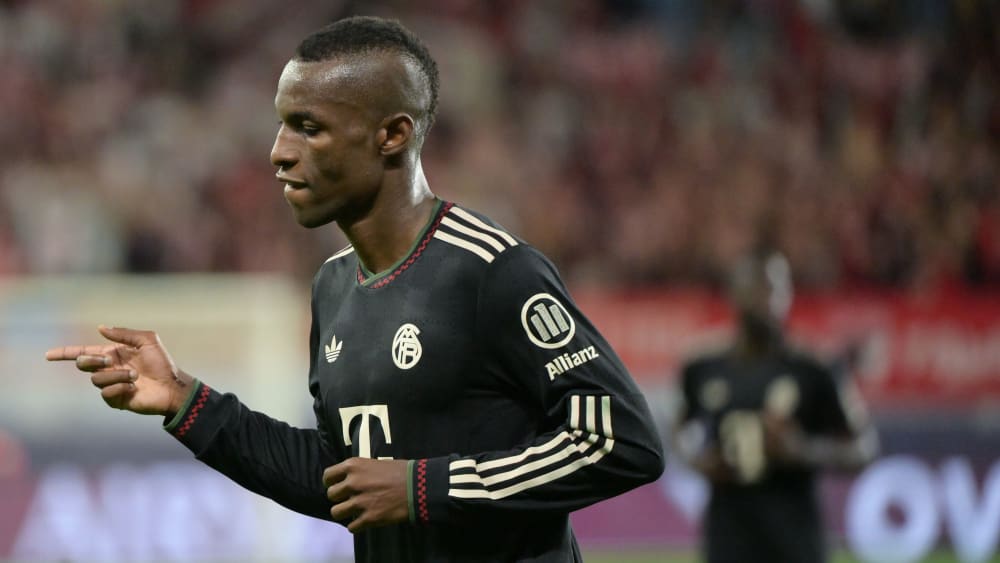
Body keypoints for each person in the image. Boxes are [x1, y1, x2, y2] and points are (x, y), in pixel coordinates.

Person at [45, 16, 665, 562]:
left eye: (308, 127)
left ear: (392, 134)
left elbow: (619, 441)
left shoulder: (491, 272)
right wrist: (186, 402)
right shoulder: (334, 286)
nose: (278, 153)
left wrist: (425, 488)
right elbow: (340, 479)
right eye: (282, 125)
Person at [671, 250, 878, 563]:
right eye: (758, 286)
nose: (768, 298)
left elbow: (864, 447)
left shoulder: (814, 368)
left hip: (795, 537)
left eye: (777, 289)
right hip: (728, 535)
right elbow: (676, 431)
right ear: (734, 293)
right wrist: (699, 461)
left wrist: (805, 450)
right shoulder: (703, 367)